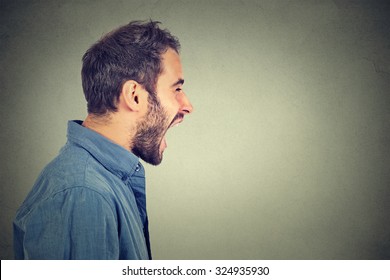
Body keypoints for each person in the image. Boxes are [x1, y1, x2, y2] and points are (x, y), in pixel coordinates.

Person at [13, 20, 193, 260]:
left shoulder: (104, 181)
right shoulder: (83, 195)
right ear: (135, 97)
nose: (187, 106)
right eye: (176, 89)